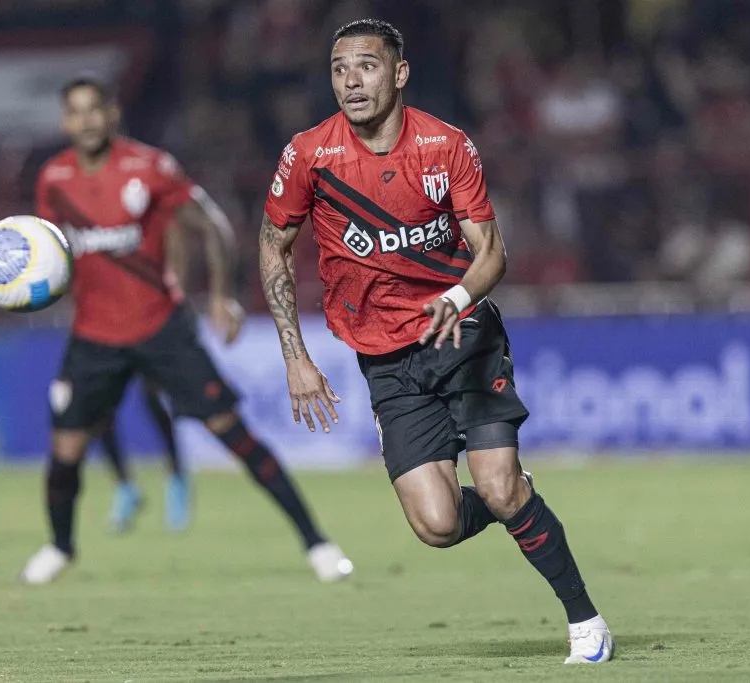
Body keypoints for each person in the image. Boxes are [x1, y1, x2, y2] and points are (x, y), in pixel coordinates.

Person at [258, 20, 612, 663]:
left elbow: (491, 253)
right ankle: (514, 498)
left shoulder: (444, 146)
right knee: (438, 526)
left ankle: (585, 620)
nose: (350, 81)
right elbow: (272, 246)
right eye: (339, 69)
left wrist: (455, 298)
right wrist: (295, 356)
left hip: (462, 334)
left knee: (498, 487)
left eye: (365, 67)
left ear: (399, 74)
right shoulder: (310, 153)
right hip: (385, 357)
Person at [20, 76, 353, 584]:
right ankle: (60, 547)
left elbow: (213, 226)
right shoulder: (53, 178)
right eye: (75, 112)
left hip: (162, 329)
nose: (85, 121)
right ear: (65, 121)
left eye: (94, 110)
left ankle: (318, 542)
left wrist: (221, 294)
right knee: (65, 450)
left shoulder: (150, 167)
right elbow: (50, 253)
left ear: (112, 114)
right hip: (93, 337)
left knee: (233, 434)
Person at [96, 378, 190, 533]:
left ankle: (177, 480)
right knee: (100, 408)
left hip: (147, 354)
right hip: (112, 353)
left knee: (155, 396)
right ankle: (125, 487)